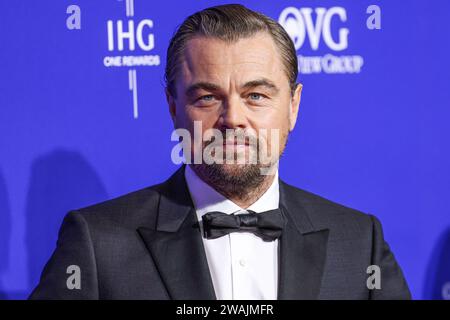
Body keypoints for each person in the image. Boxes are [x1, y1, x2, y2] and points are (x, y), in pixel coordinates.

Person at [29, 4, 411, 300]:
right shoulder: (98, 242)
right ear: (173, 107)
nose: (233, 119)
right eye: (208, 97)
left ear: (293, 106)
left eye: (256, 95)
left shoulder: (361, 242)